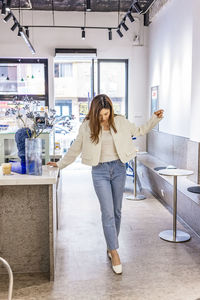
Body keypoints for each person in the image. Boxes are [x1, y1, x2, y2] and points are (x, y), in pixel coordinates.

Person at [47, 94, 164, 275]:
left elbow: (139, 130)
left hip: (118, 168)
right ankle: (115, 252)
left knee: (117, 211)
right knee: (107, 212)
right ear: (94, 113)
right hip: (99, 171)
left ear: (111, 111)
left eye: (106, 114)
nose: (104, 118)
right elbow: (75, 148)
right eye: (101, 115)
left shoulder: (121, 122)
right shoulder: (87, 127)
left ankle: (111, 246)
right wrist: (60, 163)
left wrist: (155, 118)